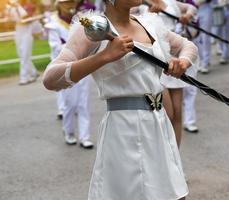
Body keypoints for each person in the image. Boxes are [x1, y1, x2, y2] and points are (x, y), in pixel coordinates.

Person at [43, 0, 198, 199]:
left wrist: (182, 62)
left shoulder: (149, 23)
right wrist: (105, 56)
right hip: (125, 130)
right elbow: (50, 78)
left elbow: (188, 46)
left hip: (160, 126)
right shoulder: (92, 29)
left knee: (175, 194)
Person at [143, 0, 198, 145]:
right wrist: (149, 14)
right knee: (167, 112)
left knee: (177, 112)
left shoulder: (171, 2)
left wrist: (187, 15)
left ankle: (176, 157)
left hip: (175, 54)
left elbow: (191, 7)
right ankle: (165, 152)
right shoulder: (139, 4)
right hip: (156, 57)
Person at [45, 0, 93, 148]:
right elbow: (55, 47)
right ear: (59, 5)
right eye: (66, 3)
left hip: (81, 65)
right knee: (70, 103)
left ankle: (85, 136)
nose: (70, 5)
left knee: (84, 103)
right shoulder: (53, 23)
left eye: (72, 2)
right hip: (64, 68)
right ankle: (69, 132)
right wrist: (74, 48)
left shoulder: (81, 19)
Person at [5, 0, 43, 85]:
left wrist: (17, 6)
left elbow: (25, 17)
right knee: (20, 54)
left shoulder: (29, 5)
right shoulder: (13, 6)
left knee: (25, 55)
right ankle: (33, 72)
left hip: (27, 30)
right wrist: (12, 8)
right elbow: (9, 16)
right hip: (18, 30)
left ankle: (24, 77)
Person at [212, 0, 229, 64]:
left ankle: (225, 55)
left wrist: (227, 3)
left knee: (226, 35)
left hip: (227, 14)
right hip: (216, 14)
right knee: (217, 35)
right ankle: (227, 52)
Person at [193, 0, 213, 73]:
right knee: (195, 38)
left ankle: (205, 62)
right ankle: (201, 60)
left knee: (205, 38)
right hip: (193, 10)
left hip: (205, 9)